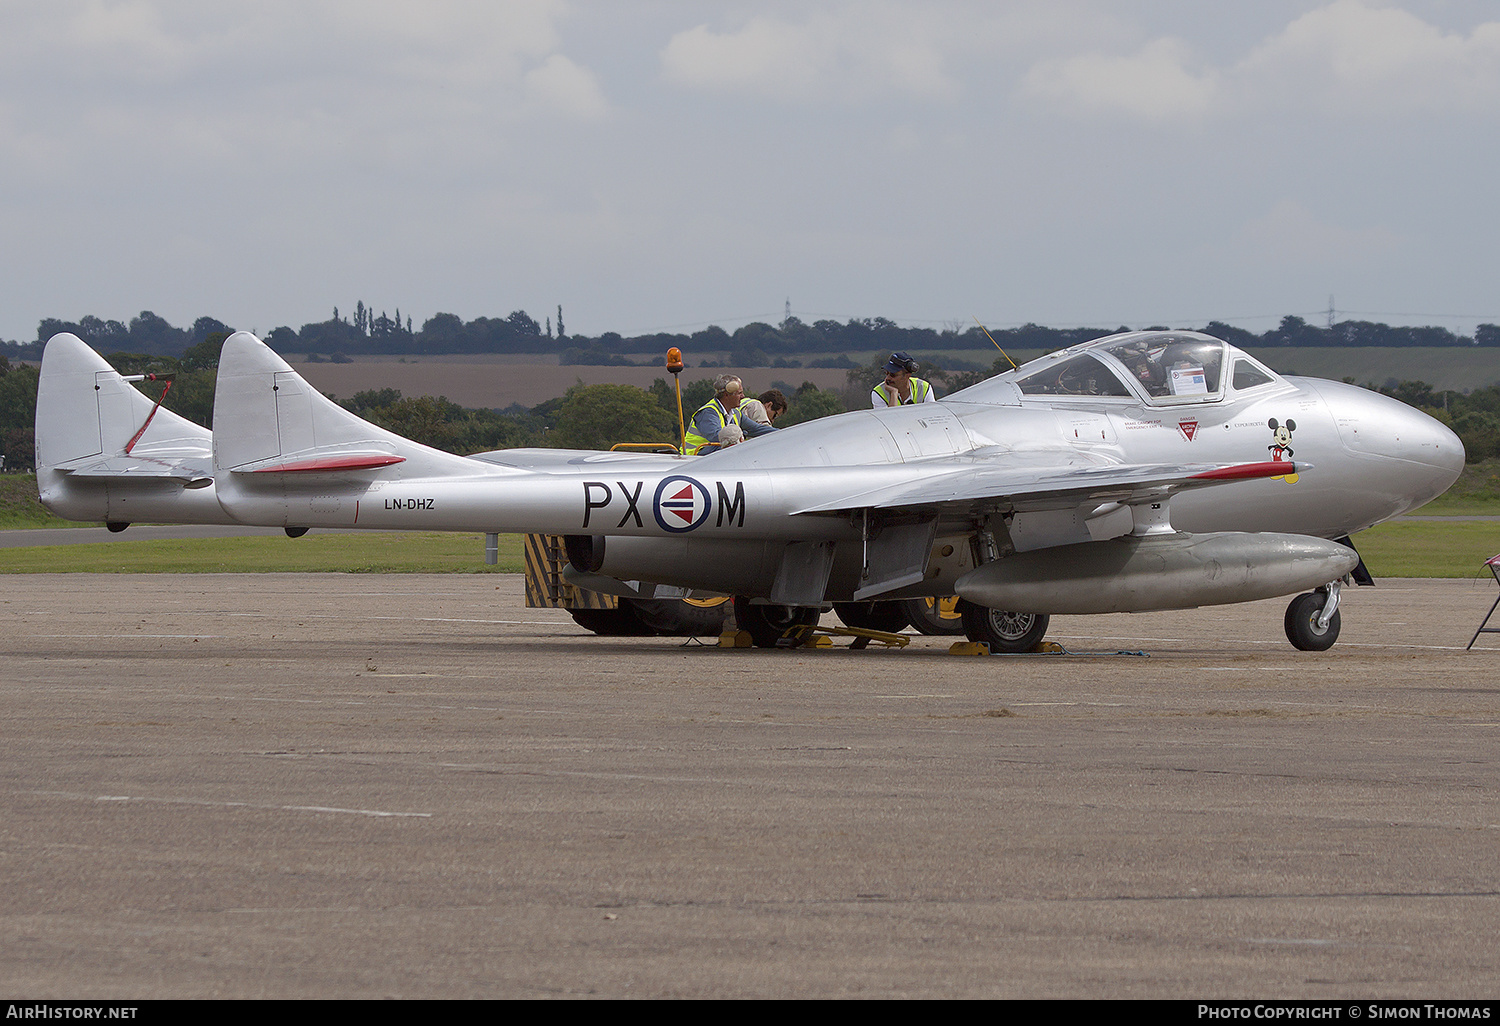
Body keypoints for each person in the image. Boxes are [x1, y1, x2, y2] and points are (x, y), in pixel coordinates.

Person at [684, 374, 776, 452]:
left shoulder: (735, 413)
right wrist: (741, 435)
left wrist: (785, 433)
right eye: (739, 393)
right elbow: (719, 439)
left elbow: (757, 429)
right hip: (695, 458)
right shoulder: (708, 413)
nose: (743, 396)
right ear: (726, 395)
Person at [871, 352, 937, 407]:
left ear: (907, 375)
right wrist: (893, 393)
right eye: (886, 373)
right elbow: (889, 419)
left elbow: (931, 415)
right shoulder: (878, 393)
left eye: (893, 375)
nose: (888, 378)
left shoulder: (924, 388)